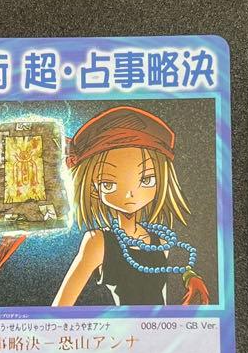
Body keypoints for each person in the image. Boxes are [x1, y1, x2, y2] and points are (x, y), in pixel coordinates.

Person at [52, 106, 208, 307]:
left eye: (147, 179)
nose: (129, 194)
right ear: (93, 188)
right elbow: (60, 308)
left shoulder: (160, 240)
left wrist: (190, 277)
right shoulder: (98, 242)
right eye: (109, 183)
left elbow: (161, 294)